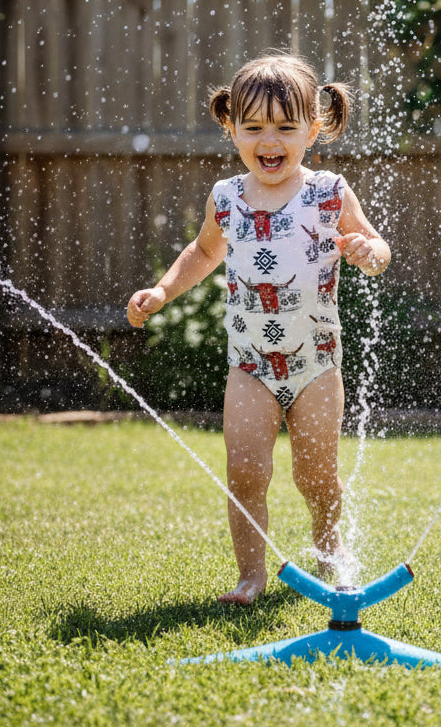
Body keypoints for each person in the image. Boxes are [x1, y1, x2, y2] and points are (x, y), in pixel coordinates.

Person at [127, 52, 390, 605]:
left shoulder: (329, 193)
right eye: (254, 128)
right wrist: (162, 291)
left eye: (285, 128)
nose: (269, 141)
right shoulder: (227, 198)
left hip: (315, 363)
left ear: (314, 129)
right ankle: (251, 576)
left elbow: (377, 248)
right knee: (245, 472)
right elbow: (202, 252)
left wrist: (368, 251)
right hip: (250, 366)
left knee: (316, 478)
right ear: (231, 129)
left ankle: (330, 552)